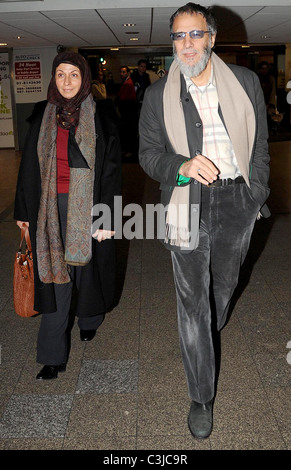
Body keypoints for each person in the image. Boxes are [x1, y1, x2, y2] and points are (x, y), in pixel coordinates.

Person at [139, 3, 270, 439]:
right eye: (178, 36)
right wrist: (182, 164)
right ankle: (200, 396)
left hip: (237, 200)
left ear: (211, 38)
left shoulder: (246, 81)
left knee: (222, 290)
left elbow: (260, 146)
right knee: (192, 303)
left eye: (195, 34)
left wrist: (257, 193)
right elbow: (148, 155)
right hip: (185, 203)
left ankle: (206, 335)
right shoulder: (159, 94)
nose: (186, 44)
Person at [14, 52, 122, 380]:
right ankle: (52, 354)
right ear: (53, 78)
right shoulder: (40, 116)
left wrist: (109, 217)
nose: (67, 82)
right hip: (47, 209)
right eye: (60, 74)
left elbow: (112, 173)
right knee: (55, 276)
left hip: (88, 207)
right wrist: (23, 212)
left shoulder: (102, 117)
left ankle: (89, 319)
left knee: (88, 274)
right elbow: (27, 169)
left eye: (73, 75)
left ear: (85, 78)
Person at [116, 65, 138, 158]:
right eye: (121, 72)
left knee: (129, 132)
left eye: (124, 72)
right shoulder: (126, 82)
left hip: (129, 112)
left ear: (128, 73)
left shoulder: (128, 83)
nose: (122, 74)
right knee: (128, 132)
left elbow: (123, 98)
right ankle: (128, 150)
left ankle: (130, 151)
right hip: (128, 111)